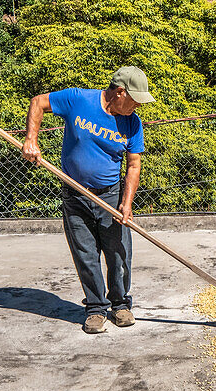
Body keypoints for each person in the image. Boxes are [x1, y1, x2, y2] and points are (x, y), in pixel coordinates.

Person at [21, 66, 153, 334]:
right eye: (135, 100)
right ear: (120, 92)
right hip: (75, 194)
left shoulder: (132, 123)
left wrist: (126, 204)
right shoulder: (79, 99)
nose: (137, 107)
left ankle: (121, 305)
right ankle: (95, 309)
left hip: (110, 195)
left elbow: (134, 165)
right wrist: (31, 140)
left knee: (118, 254)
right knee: (85, 255)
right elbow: (38, 102)